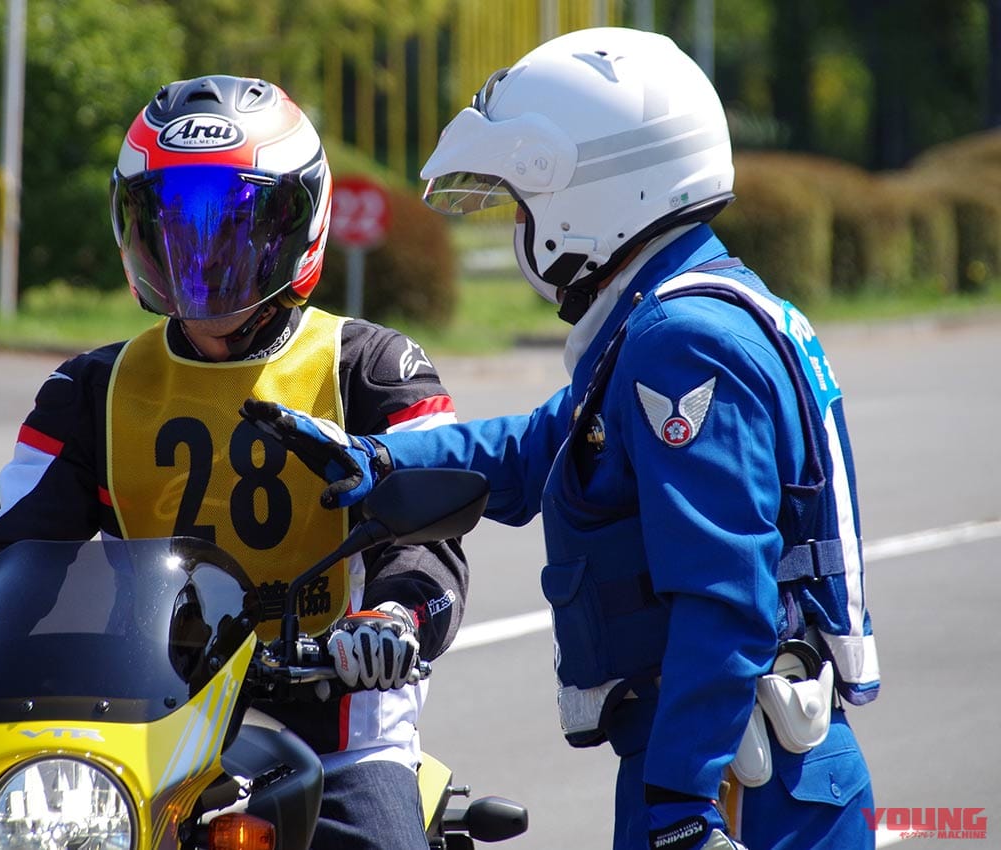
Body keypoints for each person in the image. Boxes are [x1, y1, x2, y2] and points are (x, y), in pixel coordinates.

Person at [242, 28, 880, 850]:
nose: (519, 226)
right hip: (737, 756)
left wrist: (680, 805)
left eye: (523, 202)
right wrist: (379, 457)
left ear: (598, 191)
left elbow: (726, 599)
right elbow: (540, 447)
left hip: (735, 779)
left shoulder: (681, 343)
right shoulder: (684, 310)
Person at [0, 74, 466, 850]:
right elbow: (7, 546)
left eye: (233, 226)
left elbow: (428, 543)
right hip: (145, 713)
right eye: (175, 226)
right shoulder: (91, 387)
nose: (203, 254)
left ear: (299, 222)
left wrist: (391, 618)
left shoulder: (374, 368)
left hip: (332, 714)